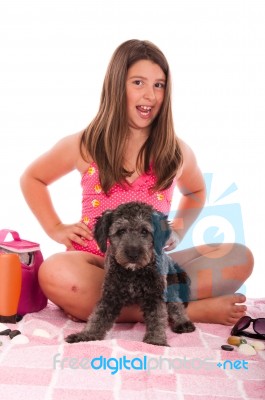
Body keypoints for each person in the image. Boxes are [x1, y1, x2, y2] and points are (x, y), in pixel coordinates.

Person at [20, 39, 254, 326]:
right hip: (96, 265)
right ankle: (187, 312)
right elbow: (33, 178)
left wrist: (177, 231)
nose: (150, 95)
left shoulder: (176, 151)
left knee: (239, 257)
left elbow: (195, 190)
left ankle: (110, 306)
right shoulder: (85, 144)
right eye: (138, 82)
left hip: (152, 268)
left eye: (159, 85)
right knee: (54, 271)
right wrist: (55, 228)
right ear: (117, 86)